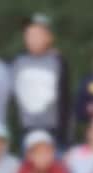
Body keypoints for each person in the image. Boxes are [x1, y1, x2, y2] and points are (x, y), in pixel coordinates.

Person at [12, 13, 70, 146]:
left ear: (49, 37)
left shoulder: (58, 62)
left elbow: (65, 100)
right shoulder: (18, 62)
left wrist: (65, 136)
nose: (32, 39)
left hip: (53, 131)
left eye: (38, 35)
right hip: (25, 130)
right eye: (29, 35)